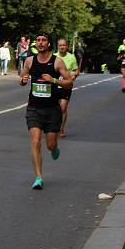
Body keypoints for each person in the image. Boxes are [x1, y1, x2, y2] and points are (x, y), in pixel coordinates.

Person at [19, 32, 74, 189]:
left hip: (52, 110)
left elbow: (69, 83)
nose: (40, 43)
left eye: (44, 40)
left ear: (49, 44)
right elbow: (22, 79)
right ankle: (38, 177)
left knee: (50, 144)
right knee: (35, 141)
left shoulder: (57, 62)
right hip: (34, 109)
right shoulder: (29, 61)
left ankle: (54, 148)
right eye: (38, 40)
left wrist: (54, 80)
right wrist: (22, 80)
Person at [54, 38, 78, 138]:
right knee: (53, 108)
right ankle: (52, 126)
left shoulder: (71, 57)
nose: (62, 47)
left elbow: (76, 71)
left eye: (64, 45)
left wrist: (73, 76)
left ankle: (61, 129)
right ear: (57, 46)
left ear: (66, 46)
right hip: (54, 85)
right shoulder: (53, 57)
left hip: (66, 86)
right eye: (60, 45)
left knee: (63, 108)